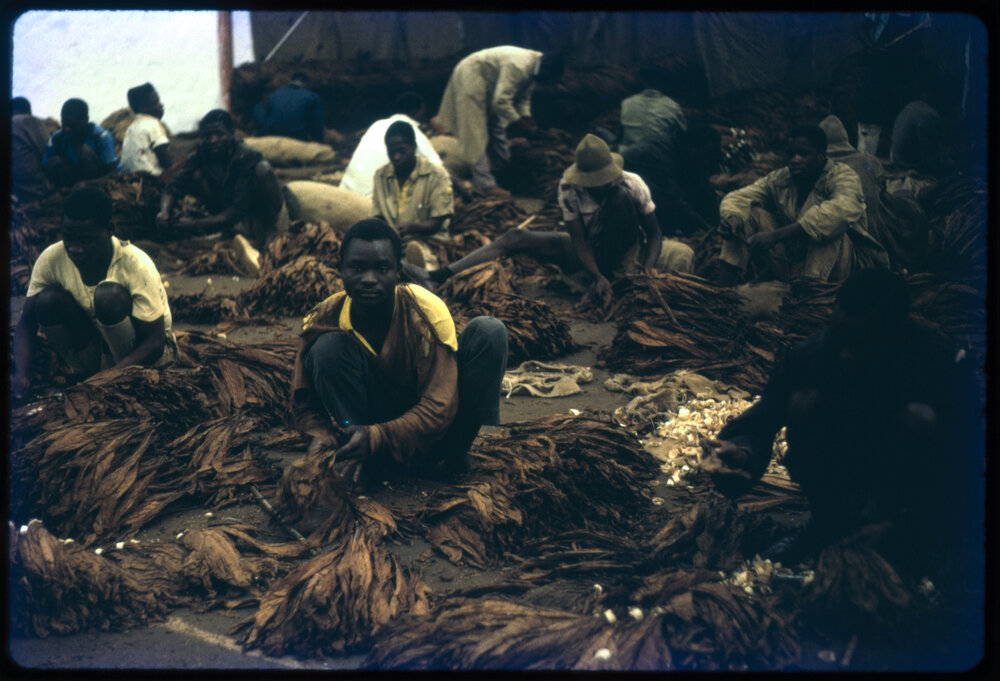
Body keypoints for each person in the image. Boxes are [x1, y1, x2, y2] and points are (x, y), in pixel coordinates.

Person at [700, 269, 983, 641]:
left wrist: (907, 523)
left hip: (913, 502)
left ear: (895, 334)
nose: (846, 354)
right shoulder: (814, 356)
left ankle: (914, 538)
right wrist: (740, 453)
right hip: (840, 487)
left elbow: (969, 462)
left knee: (924, 422)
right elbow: (763, 417)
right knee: (803, 402)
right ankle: (828, 525)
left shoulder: (940, 364)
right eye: (840, 337)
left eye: (861, 342)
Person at [290, 218, 508, 483]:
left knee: (489, 331)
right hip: (366, 427)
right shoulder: (323, 318)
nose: (369, 279)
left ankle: (454, 454)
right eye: (357, 268)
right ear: (341, 269)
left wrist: (377, 436)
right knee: (327, 348)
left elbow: (439, 407)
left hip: (438, 431)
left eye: (382, 268)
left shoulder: (424, 311)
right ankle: (358, 453)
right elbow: (304, 402)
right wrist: (325, 437)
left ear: (398, 272)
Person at [426, 134, 695, 311]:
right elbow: (579, 241)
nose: (598, 186)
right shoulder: (569, 188)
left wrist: (647, 270)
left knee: (620, 199)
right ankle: (439, 275)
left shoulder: (631, 184)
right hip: (590, 250)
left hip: (628, 249)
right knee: (515, 236)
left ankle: (613, 277)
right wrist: (597, 275)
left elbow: (654, 233)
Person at [11, 186, 177, 398]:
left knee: (108, 296)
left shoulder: (136, 264)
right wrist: (22, 375)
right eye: (68, 237)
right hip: (98, 352)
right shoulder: (52, 258)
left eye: (85, 240)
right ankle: (84, 374)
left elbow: (154, 343)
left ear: (109, 230)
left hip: (147, 359)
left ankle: (114, 381)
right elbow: (26, 324)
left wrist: (110, 378)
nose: (74, 248)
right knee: (48, 300)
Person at [716, 124, 888, 286]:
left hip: (844, 268)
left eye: (803, 154)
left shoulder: (842, 176)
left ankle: (809, 294)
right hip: (796, 260)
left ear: (822, 155)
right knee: (747, 214)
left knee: (827, 229)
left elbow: (840, 211)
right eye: (790, 154)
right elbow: (739, 197)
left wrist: (776, 235)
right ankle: (722, 291)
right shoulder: (781, 178)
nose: (795, 160)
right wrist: (734, 219)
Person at [156, 109, 289, 273]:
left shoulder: (247, 156)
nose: (213, 140)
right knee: (197, 176)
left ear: (231, 133)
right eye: (207, 135)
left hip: (259, 210)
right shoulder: (203, 151)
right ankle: (225, 228)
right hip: (230, 207)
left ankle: (269, 231)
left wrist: (196, 224)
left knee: (263, 169)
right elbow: (175, 186)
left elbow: (238, 209)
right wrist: (164, 211)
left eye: (219, 134)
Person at [433, 46, 564, 196]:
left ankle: (502, 171)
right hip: (471, 76)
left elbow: (523, 99)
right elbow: (501, 101)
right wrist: (519, 122)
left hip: (490, 85)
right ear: (544, 69)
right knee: (475, 132)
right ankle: (485, 185)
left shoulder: (536, 69)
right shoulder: (518, 66)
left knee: (496, 128)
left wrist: (529, 120)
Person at [819, 114, 927, 271]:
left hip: (842, 242)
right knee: (905, 199)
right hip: (875, 237)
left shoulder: (818, 166)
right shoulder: (868, 161)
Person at [370, 120, 454, 271]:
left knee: (424, 263)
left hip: (428, 241)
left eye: (402, 151)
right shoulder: (381, 176)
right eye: (391, 152)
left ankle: (421, 267)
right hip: (394, 243)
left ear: (414, 147)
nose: (396, 157)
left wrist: (411, 227)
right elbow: (378, 215)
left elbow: (437, 222)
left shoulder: (436, 175)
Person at [621, 122, 721, 237]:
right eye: (704, 158)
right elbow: (672, 203)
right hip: (628, 212)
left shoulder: (680, 148)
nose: (704, 163)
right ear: (697, 148)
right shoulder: (655, 155)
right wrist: (710, 230)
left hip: (654, 198)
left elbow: (703, 188)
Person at [340, 91, 444, 200]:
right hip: (372, 200)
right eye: (422, 114)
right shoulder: (409, 129)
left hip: (349, 195)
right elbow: (438, 168)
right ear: (416, 112)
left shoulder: (377, 125)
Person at [42, 98, 118, 188]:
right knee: (54, 162)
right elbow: (45, 168)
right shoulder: (56, 139)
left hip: (97, 182)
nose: (67, 129)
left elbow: (114, 173)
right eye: (64, 124)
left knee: (86, 153)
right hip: (73, 181)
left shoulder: (101, 137)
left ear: (85, 120)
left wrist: (89, 184)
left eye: (72, 125)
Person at [617, 65, 688, 154]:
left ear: (643, 81)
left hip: (627, 155)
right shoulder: (672, 106)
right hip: (658, 156)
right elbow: (683, 133)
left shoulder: (627, 102)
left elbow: (619, 134)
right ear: (663, 82)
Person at [253, 72, 325, 142]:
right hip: (298, 137)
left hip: (273, 135)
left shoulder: (275, 94)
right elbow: (317, 125)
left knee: (259, 107)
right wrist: (318, 139)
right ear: (306, 82)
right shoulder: (312, 96)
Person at [120, 83, 171, 176]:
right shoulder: (153, 124)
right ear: (143, 107)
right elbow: (165, 158)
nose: (161, 105)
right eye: (155, 102)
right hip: (153, 178)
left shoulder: (131, 128)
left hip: (131, 178)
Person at [11, 97, 53, 202]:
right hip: (42, 189)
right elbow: (47, 154)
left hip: (20, 192)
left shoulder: (14, 122)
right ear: (29, 111)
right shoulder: (38, 123)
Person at [889, 98, 945, 175]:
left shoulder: (913, 105)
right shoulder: (929, 115)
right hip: (906, 165)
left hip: (894, 157)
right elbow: (930, 157)